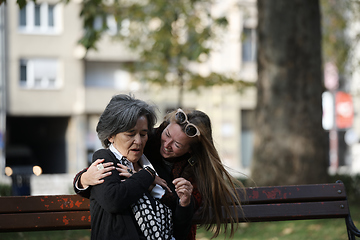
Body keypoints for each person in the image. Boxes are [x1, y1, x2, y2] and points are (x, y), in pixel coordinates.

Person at [75, 107, 245, 239]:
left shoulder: (195, 172)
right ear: (164, 126)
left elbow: (180, 216)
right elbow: (109, 169)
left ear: (191, 151)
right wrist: (82, 179)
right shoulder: (147, 138)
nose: (167, 144)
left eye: (177, 145)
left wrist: (152, 185)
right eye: (167, 134)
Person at [85, 94, 194, 240]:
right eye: (130, 134)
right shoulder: (104, 159)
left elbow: (178, 231)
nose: (138, 141)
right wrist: (147, 176)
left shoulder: (155, 167)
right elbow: (113, 200)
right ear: (111, 135)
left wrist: (184, 204)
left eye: (143, 134)